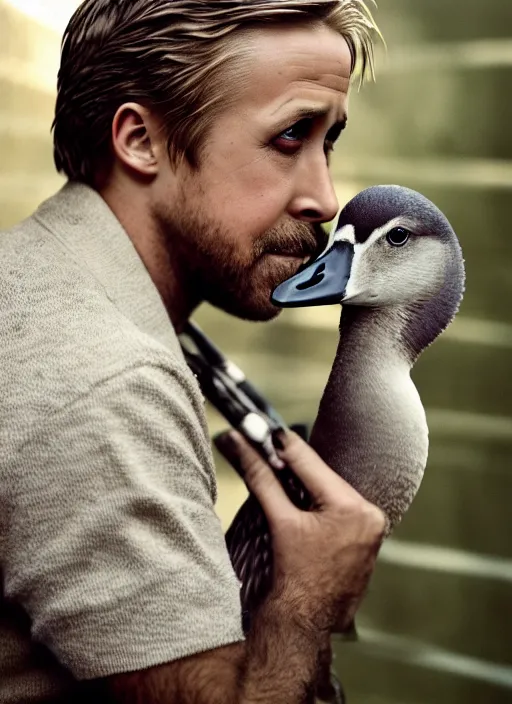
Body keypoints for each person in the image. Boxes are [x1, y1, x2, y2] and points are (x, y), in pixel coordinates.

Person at [0, 1, 386, 702]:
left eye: (327, 142)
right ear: (140, 140)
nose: (325, 199)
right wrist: (306, 601)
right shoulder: (110, 383)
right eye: (289, 136)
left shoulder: (35, 276)